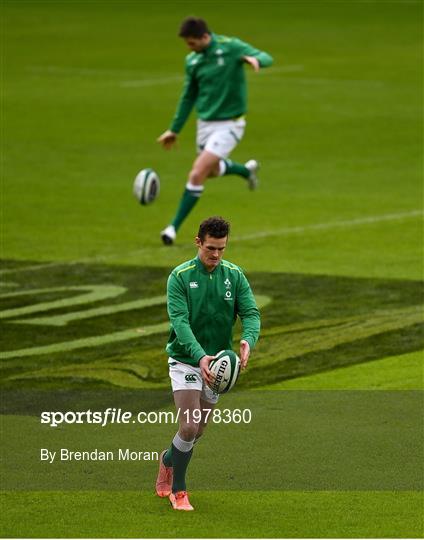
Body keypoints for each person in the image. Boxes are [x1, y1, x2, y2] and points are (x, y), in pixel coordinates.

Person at [155, 216, 261, 510]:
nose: (215, 255)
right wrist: (200, 356)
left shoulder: (235, 275)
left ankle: (167, 460)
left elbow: (251, 314)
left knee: (197, 432)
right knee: (188, 427)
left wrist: (247, 341)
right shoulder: (179, 276)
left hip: (218, 366)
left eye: (222, 249)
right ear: (198, 242)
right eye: (210, 248)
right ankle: (180, 491)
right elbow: (180, 322)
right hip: (187, 361)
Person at [157, 17, 273, 245]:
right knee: (212, 171)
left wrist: (255, 59)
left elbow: (267, 57)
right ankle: (246, 171)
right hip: (205, 125)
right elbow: (188, 96)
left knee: (197, 173)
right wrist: (174, 129)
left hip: (230, 124)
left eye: (191, 43)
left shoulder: (231, 48)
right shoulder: (192, 61)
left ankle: (172, 228)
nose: (189, 48)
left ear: (205, 37)